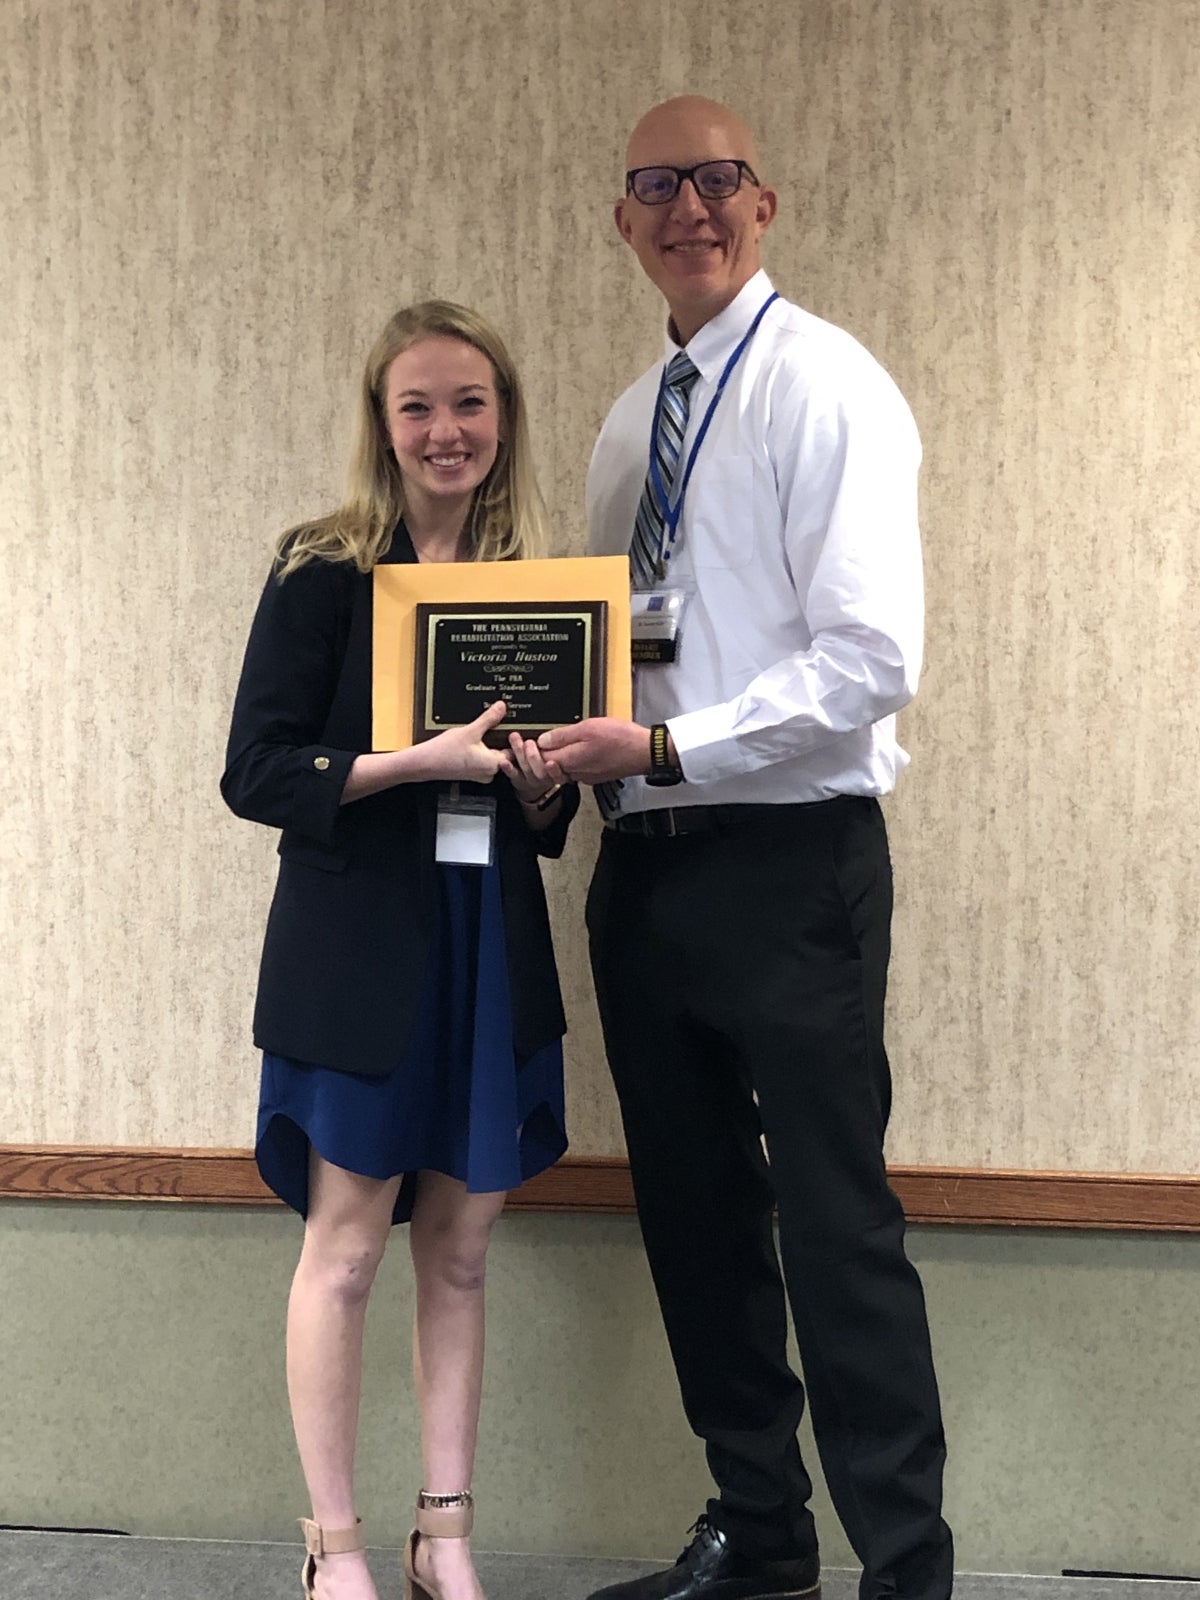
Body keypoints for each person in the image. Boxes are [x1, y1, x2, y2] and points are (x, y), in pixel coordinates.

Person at [539, 98, 953, 1600]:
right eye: (656, 184)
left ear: (763, 204)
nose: (688, 207)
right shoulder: (621, 422)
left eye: (715, 180)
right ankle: (761, 1536)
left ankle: (908, 1570)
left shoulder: (824, 386)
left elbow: (868, 663)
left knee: (839, 1229)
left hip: (792, 871)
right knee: (697, 1218)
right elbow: (606, 662)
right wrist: (543, 754)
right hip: (643, 873)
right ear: (625, 219)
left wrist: (655, 746)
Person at [221, 301, 575, 1600]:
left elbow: (551, 816)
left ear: (504, 418)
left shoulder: (534, 582)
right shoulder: (319, 570)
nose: (446, 430)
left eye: (470, 403)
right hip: (357, 961)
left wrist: (541, 780)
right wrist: (408, 766)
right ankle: (338, 1550)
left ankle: (445, 1534)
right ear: (382, 421)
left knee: (464, 1250)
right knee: (351, 1244)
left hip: (488, 951)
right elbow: (254, 771)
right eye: (418, 405)